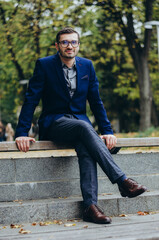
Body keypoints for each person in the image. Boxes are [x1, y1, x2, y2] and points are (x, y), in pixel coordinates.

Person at [15, 27, 147, 224]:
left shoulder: (87, 66)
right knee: (84, 127)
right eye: (65, 42)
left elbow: (96, 102)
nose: (70, 46)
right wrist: (21, 132)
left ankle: (90, 207)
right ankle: (122, 181)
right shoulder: (44, 65)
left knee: (86, 146)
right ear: (57, 45)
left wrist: (108, 131)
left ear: (78, 44)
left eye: (73, 42)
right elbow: (31, 100)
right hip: (54, 122)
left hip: (79, 126)